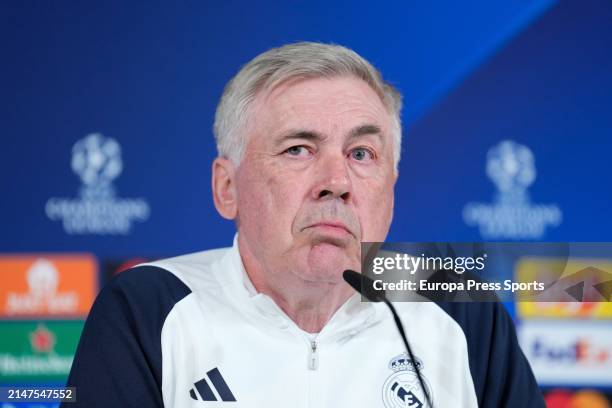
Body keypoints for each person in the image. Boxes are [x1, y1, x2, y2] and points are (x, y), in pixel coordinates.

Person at [63, 42, 545, 407]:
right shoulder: (147, 309)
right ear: (226, 188)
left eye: (362, 154)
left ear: (391, 185)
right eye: (298, 149)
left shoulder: (460, 309)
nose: (336, 181)